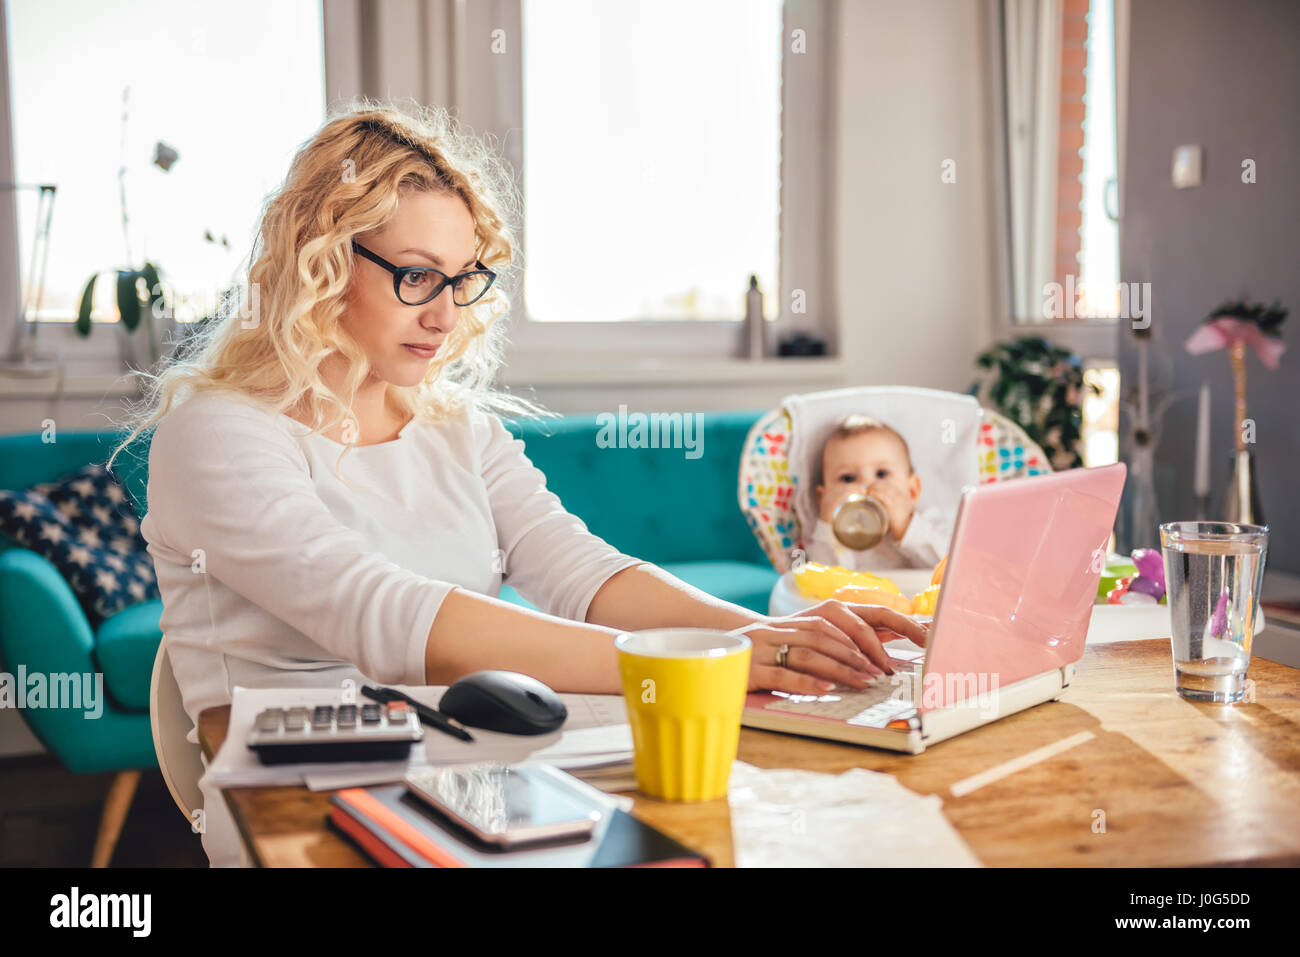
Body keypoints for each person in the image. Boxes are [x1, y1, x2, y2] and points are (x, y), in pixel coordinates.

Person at [111, 100, 926, 866]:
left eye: (463, 279)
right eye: (418, 275)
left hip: (477, 763)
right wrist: (693, 661)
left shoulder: (454, 425)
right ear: (321, 261)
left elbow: (577, 568)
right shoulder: (216, 431)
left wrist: (770, 638)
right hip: (298, 796)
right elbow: (381, 615)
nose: (446, 314)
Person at [806, 414, 951, 570]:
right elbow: (819, 583)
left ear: (912, 491)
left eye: (881, 474)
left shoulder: (929, 523)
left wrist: (905, 526)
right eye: (848, 478)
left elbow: (952, 571)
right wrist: (827, 527)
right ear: (823, 499)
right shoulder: (830, 537)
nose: (866, 487)